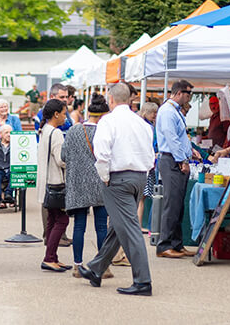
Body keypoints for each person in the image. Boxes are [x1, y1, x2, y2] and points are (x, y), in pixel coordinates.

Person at [77, 83, 155, 296]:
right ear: (129, 99)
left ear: (110, 99)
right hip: (139, 176)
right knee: (120, 226)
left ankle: (143, 281)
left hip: (117, 177)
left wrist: (105, 178)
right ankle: (96, 268)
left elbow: (102, 153)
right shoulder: (142, 123)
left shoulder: (108, 122)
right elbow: (150, 154)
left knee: (128, 228)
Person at [62, 94, 112, 279]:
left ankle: (77, 265)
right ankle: (103, 266)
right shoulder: (106, 132)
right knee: (101, 227)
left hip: (78, 185)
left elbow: (63, 156)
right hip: (101, 183)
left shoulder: (74, 131)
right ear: (104, 115)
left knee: (79, 227)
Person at [155, 80, 200, 259]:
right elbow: (171, 139)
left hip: (175, 159)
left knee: (177, 205)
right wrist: (182, 159)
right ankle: (164, 245)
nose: (189, 98)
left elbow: (180, 138)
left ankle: (176, 243)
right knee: (171, 204)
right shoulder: (167, 111)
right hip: (171, 160)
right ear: (179, 93)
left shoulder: (173, 111)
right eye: (189, 94)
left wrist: (190, 151)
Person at [36, 99, 69, 272]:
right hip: (56, 182)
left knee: (52, 220)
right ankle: (49, 257)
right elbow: (61, 160)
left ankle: (52, 256)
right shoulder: (55, 133)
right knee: (62, 220)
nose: (65, 117)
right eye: (64, 113)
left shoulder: (43, 131)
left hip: (45, 182)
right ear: (56, 114)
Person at [139, 102, 159, 230]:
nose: (155, 115)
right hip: (147, 165)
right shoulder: (148, 127)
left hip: (143, 164)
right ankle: (138, 225)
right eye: (153, 112)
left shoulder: (142, 125)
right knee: (142, 198)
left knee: (142, 198)